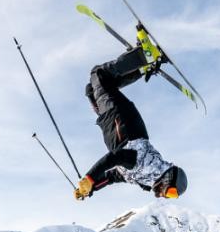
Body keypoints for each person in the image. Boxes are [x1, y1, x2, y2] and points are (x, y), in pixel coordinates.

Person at [73, 37, 188, 201]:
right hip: (118, 115)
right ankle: (144, 55)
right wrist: (89, 178)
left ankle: (143, 67)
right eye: (170, 192)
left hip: (110, 120)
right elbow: (113, 158)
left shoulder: (143, 178)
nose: (165, 196)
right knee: (99, 74)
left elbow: (113, 177)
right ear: (168, 178)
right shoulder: (143, 163)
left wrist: (90, 189)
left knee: (93, 90)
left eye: (170, 196)